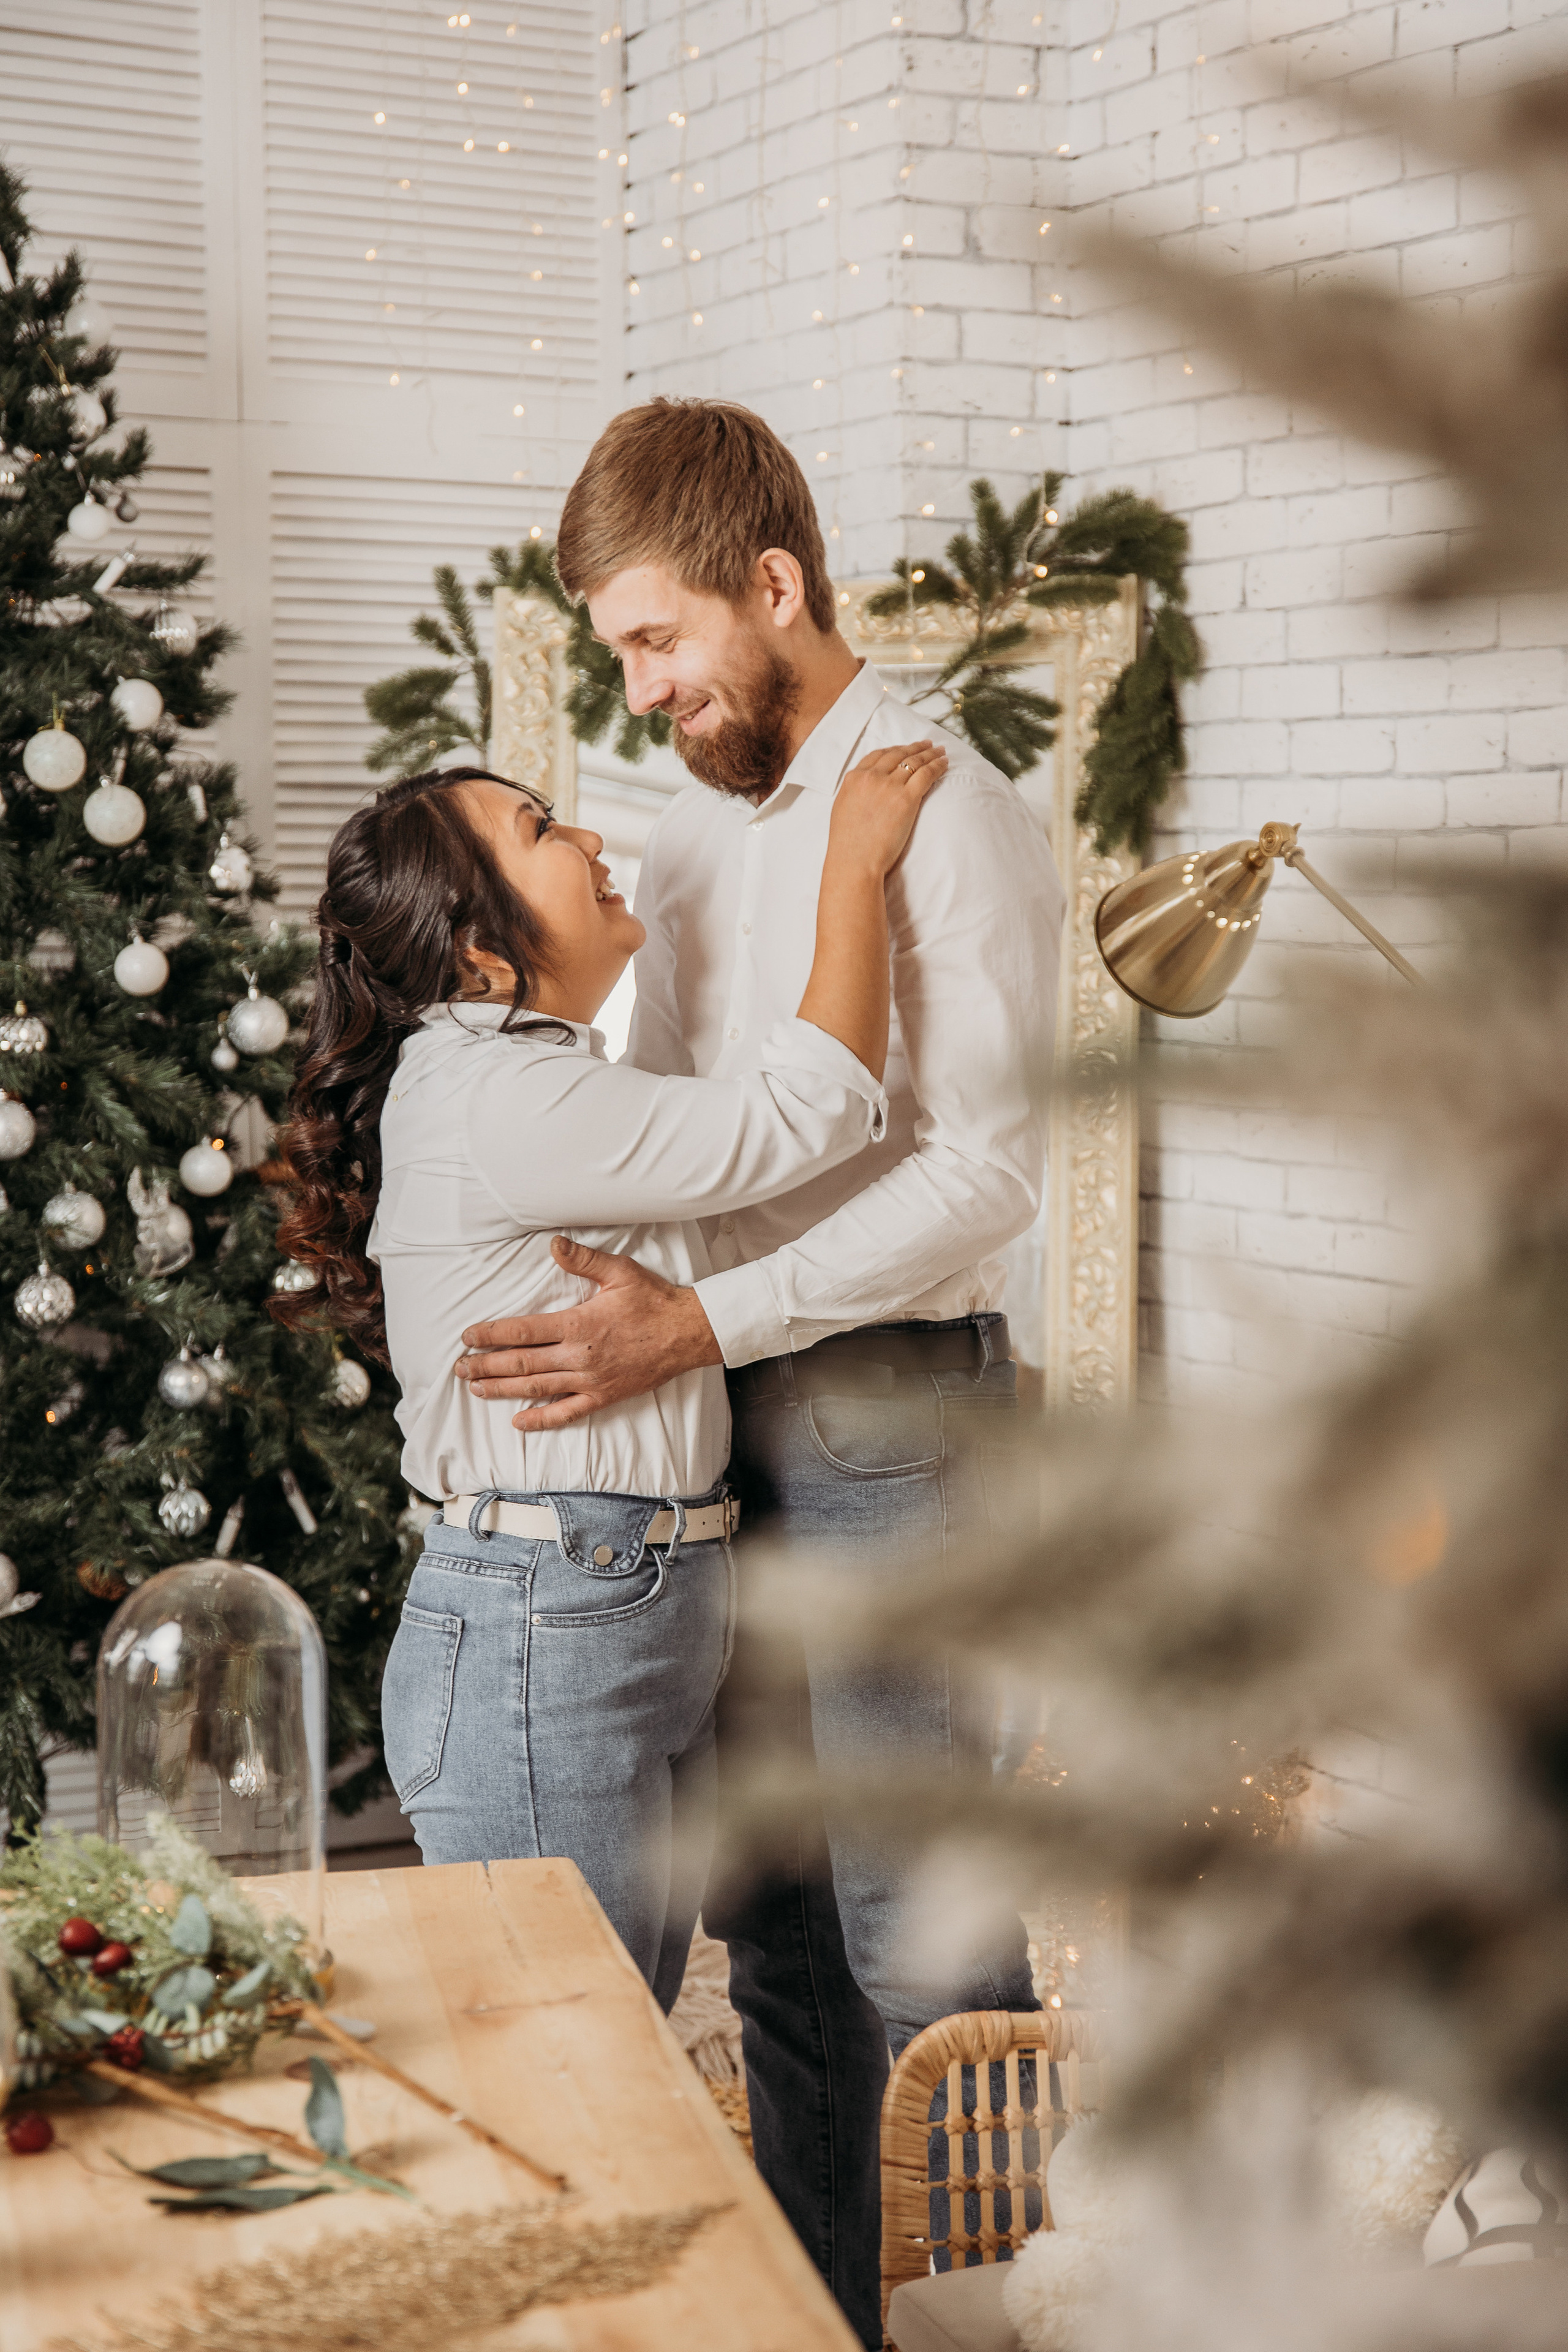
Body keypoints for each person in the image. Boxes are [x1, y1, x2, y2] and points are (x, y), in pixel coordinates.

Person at [452, 398, 1066, 2347]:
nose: (640, 691)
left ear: (772, 584)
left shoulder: (945, 808)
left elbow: (986, 1171)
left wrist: (697, 1320)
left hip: (903, 1430)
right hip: (722, 1441)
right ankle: (830, 2325)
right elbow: (687, 1130)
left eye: (656, 641)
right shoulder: (706, 834)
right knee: (778, 1932)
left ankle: (992, 2322)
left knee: (923, 1932)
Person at [270, 741, 946, 2013]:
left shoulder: (544, 1081)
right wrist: (851, 866)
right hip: (549, 1612)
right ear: (477, 953)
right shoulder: (502, 1094)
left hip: (611, 1599)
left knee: (613, 2027)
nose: (584, 839)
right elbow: (803, 1116)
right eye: (537, 830)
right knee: (574, 2045)